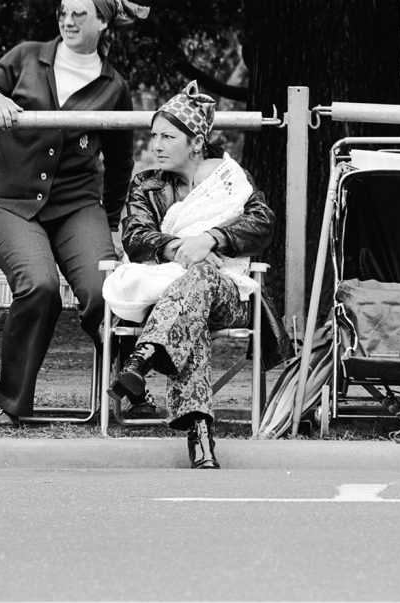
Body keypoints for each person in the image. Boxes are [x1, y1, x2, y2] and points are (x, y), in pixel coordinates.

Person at [0, 0, 146, 426]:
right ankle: (11, 403)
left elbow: (120, 162)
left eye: (79, 14)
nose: (68, 21)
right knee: (39, 286)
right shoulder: (26, 55)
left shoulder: (115, 86)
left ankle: (129, 387)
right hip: (9, 203)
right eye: (63, 12)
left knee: (104, 292)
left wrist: (111, 225)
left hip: (76, 205)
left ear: (103, 22)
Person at [107, 81, 285, 469]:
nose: (155, 145)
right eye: (153, 135)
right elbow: (135, 236)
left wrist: (213, 237)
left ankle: (145, 355)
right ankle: (200, 435)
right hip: (172, 296)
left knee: (202, 282)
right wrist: (182, 249)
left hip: (230, 295)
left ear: (196, 141)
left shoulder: (231, 179)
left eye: (167, 137)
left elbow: (263, 223)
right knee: (193, 306)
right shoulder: (147, 183)